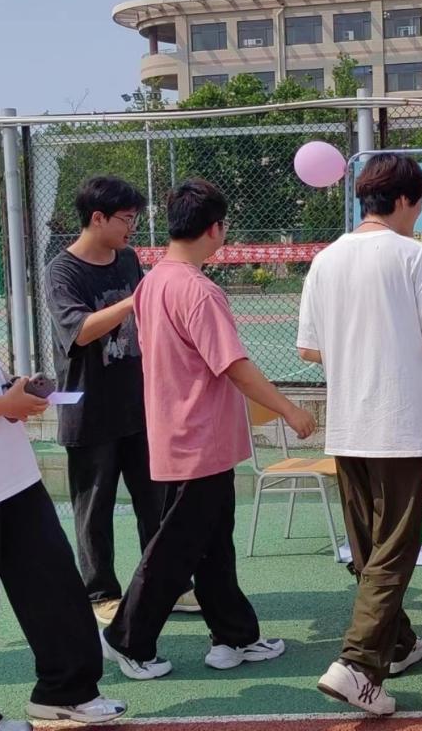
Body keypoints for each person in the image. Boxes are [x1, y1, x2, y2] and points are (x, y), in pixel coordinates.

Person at [101, 179, 316, 681]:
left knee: (214, 543)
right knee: (176, 548)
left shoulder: (153, 282)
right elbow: (233, 364)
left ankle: (233, 636)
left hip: (185, 435)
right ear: (216, 229)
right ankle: (127, 638)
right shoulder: (198, 290)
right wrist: (289, 409)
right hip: (198, 440)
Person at [0, 176, 126, 731]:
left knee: (55, 586)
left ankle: (66, 692)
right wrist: (3, 404)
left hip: (9, 474)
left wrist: (12, 393)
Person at [297, 153, 422, 716]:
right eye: (419, 204)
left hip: (347, 424)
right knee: (394, 547)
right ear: (407, 201)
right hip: (400, 423)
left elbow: (309, 349)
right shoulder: (415, 256)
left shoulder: (326, 259)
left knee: (370, 547)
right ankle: (359, 663)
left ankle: (399, 642)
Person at [45, 175, 199, 626]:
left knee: (156, 501)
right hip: (88, 411)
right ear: (98, 218)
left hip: (139, 406)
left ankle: (166, 585)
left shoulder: (128, 259)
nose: (133, 227)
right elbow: (79, 331)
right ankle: (101, 594)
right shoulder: (62, 271)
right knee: (94, 508)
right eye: (127, 219)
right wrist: (136, 300)